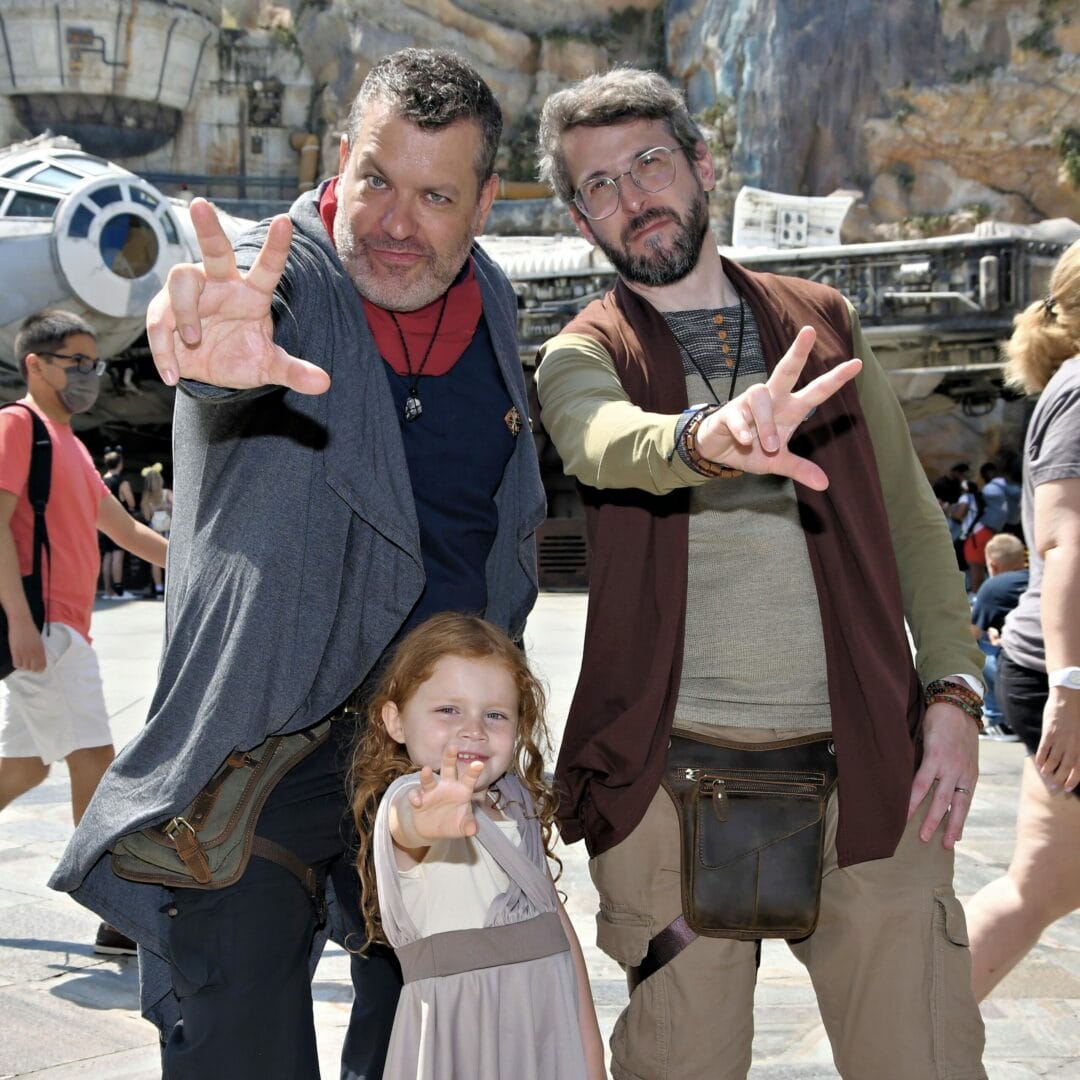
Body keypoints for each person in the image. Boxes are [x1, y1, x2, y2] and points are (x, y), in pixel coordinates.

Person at [48, 48, 545, 1080]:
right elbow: (229, 324)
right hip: (262, 748)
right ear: (338, 157)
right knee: (236, 1042)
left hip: (428, 755)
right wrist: (209, 353)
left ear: (487, 202)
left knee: (428, 1052)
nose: (395, 223)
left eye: (435, 196)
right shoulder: (281, 278)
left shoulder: (492, 301)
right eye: (376, 180)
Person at [534, 69, 987, 1079]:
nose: (633, 196)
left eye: (651, 162)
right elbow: (602, 441)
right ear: (579, 218)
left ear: (703, 166)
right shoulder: (582, 352)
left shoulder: (823, 323)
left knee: (925, 1058)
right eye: (600, 185)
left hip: (869, 768)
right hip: (668, 781)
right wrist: (706, 437)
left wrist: (955, 692)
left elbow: (915, 522)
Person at [351, 613, 605, 1079]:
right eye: (449, 710)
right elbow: (408, 823)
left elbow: (560, 939)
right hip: (460, 1045)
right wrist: (427, 820)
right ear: (396, 721)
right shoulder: (412, 798)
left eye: (495, 714)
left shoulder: (519, 804)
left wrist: (591, 1060)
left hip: (545, 1039)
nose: (474, 730)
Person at [0, 309, 168, 955]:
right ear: (35, 364)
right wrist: (21, 622)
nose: (90, 375)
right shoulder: (18, 428)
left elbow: (125, 531)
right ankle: (113, 909)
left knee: (23, 769)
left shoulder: (68, 443)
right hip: (48, 630)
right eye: (76, 362)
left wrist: (199, 565)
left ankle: (112, 902)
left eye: (94, 363)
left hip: (59, 629)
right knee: (96, 761)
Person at [966, 239, 1080, 1000]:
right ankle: (908, 1036)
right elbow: (1065, 542)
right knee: (1036, 888)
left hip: (1059, 671)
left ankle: (910, 1036)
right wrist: (1072, 687)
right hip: (1066, 673)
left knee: (1041, 886)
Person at [970, 532, 1028, 741]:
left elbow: (972, 635)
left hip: (1015, 667)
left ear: (992, 566)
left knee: (974, 649)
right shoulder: (1040, 579)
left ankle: (1000, 721)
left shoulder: (993, 587)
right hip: (1047, 662)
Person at [99, 446, 136, 598]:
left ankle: (108, 591)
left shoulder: (101, 481)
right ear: (120, 464)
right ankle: (118, 591)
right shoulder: (122, 482)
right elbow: (131, 502)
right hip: (119, 521)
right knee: (117, 555)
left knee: (107, 556)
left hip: (104, 522)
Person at [138, 462, 172, 598]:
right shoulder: (167, 493)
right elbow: (178, 511)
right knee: (171, 559)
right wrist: (165, 508)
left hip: (154, 531)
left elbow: (147, 517)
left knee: (155, 560)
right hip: (169, 531)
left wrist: (154, 509)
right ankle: (171, 588)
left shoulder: (146, 498)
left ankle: (158, 589)